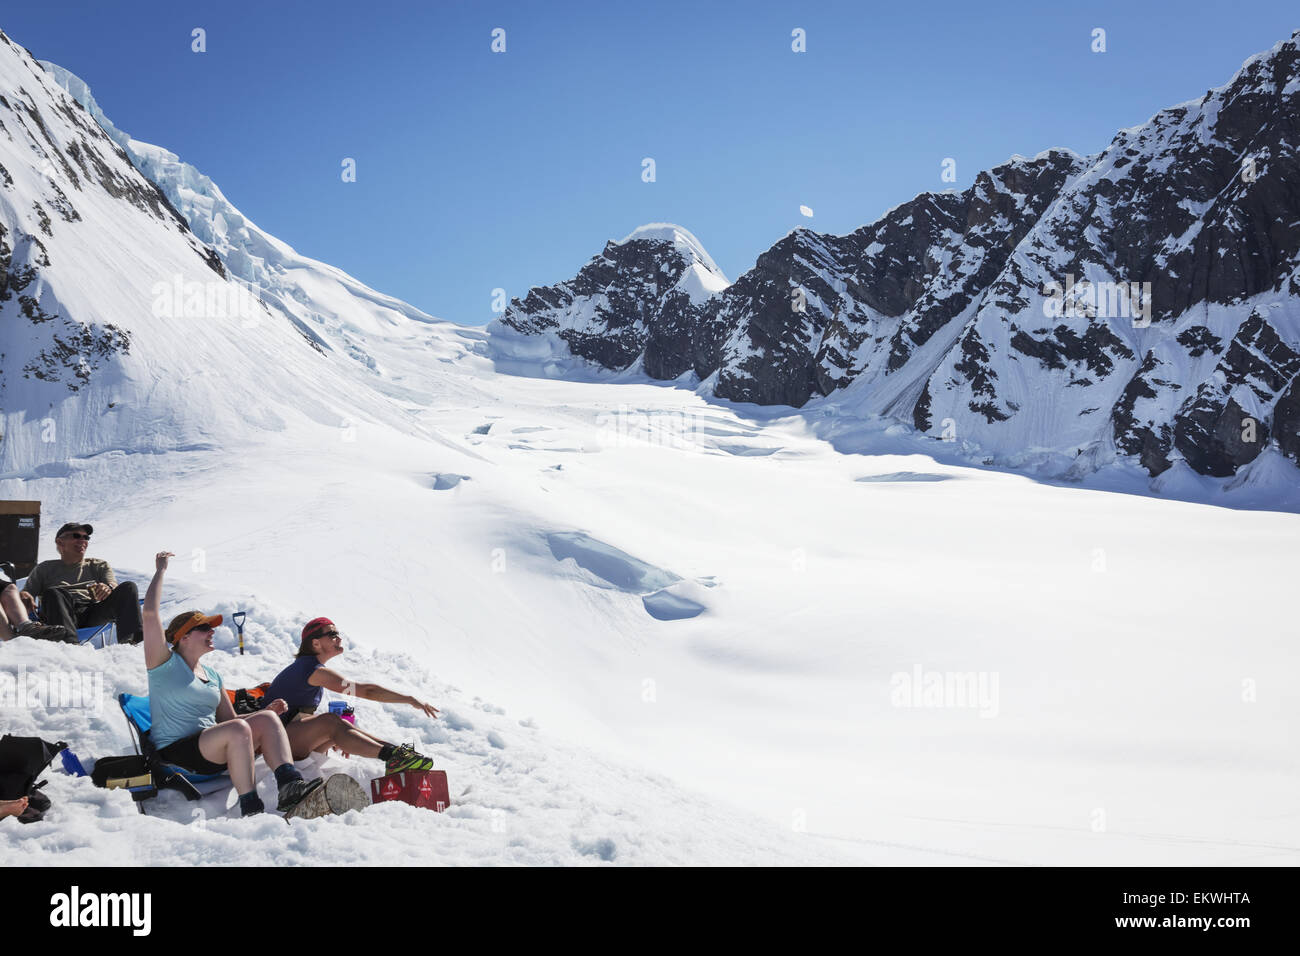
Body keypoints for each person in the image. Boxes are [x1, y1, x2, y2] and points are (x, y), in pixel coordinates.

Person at [143, 551, 320, 817]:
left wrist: (265, 711)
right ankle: (250, 805)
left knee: (268, 719)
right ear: (184, 637)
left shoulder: (213, 675)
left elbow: (231, 719)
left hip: (211, 749)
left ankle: (289, 786)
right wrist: (160, 571)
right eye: (204, 628)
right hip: (176, 752)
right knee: (241, 727)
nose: (212, 631)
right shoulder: (163, 665)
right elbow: (149, 614)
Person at [267, 617, 438, 771]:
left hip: (284, 738)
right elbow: (367, 691)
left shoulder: (306, 668)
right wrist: (408, 699)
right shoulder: (312, 670)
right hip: (275, 745)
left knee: (338, 724)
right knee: (330, 722)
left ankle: (396, 753)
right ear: (316, 643)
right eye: (332, 634)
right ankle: (392, 756)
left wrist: (337, 736)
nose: (339, 638)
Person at [21, 522, 143, 644]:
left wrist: (108, 588)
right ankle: (70, 646)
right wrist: (25, 595)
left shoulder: (99, 565)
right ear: (60, 542)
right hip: (59, 612)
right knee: (54, 593)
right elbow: (27, 594)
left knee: (128, 587)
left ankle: (131, 642)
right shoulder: (44, 568)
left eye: (86, 537)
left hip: (92, 611)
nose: (82, 540)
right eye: (76, 536)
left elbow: (112, 584)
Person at [0, 567, 76, 642]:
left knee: (9, 588)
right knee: (53, 593)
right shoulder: (46, 567)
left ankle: (27, 628)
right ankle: (12, 641)